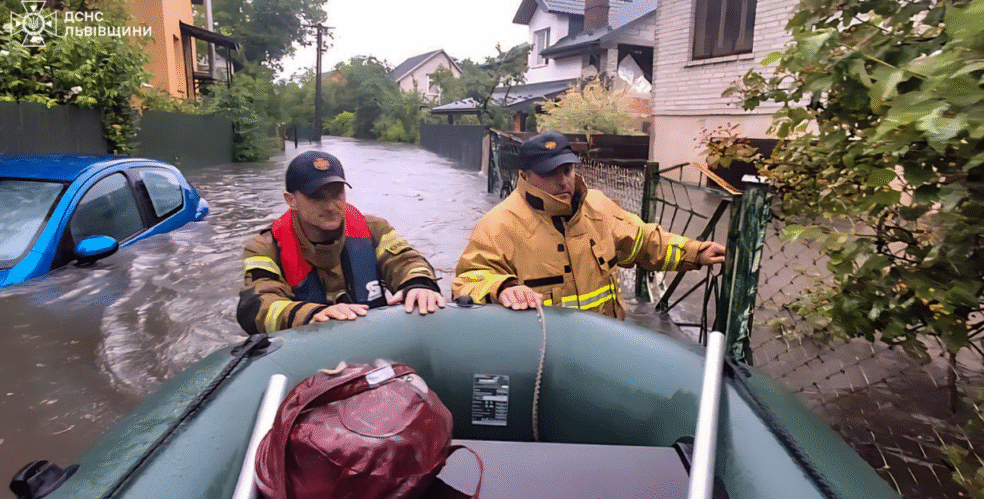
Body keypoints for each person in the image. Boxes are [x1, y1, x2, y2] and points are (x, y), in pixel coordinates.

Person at [453, 131, 726, 319]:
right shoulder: (498, 225)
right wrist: (502, 288)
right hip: (543, 358)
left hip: (603, 349)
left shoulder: (598, 207)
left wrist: (695, 253)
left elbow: (645, 242)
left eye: (568, 170)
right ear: (525, 176)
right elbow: (468, 280)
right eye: (550, 173)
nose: (564, 181)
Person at [237, 150, 446, 334]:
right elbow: (257, 307)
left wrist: (419, 283)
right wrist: (311, 315)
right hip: (310, 349)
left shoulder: (374, 229)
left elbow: (405, 260)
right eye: (316, 197)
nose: (330, 206)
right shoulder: (264, 247)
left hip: (371, 341)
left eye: (337, 194)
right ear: (290, 200)